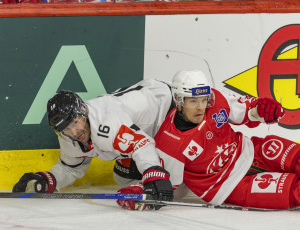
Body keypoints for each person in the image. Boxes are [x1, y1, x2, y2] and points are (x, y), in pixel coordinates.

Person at [117, 69, 300, 210]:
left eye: (203, 100)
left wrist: (261, 110)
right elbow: (165, 185)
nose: (201, 107)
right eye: (193, 101)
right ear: (179, 100)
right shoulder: (169, 142)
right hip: (230, 186)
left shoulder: (215, 100)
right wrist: (143, 194)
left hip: (251, 150)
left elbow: (246, 111)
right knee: (295, 191)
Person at [12, 79, 175, 209]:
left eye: (75, 122)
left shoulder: (107, 124)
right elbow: (70, 168)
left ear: (84, 111)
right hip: (145, 122)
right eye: (66, 129)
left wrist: (153, 173)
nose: (75, 132)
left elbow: (142, 145)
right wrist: (49, 179)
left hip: (166, 108)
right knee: (123, 178)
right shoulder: (68, 135)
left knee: (169, 181)